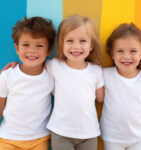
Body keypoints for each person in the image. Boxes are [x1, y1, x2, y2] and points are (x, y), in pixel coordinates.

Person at [1, 14, 104, 150]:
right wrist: (14, 64)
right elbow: (30, 67)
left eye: (82, 41)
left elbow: (101, 98)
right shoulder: (53, 67)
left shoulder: (94, 71)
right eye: (70, 41)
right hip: (44, 134)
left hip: (76, 134)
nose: (76, 46)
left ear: (91, 45)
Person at [0, 16, 56, 150]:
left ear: (49, 50)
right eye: (26, 45)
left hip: (39, 139)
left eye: (39, 45)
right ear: (17, 48)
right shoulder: (7, 75)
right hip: (8, 139)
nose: (32, 50)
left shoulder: (52, 74)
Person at [100, 23, 141, 150]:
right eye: (120, 51)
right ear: (112, 54)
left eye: (133, 51)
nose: (126, 56)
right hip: (112, 138)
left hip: (138, 139)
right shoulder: (104, 75)